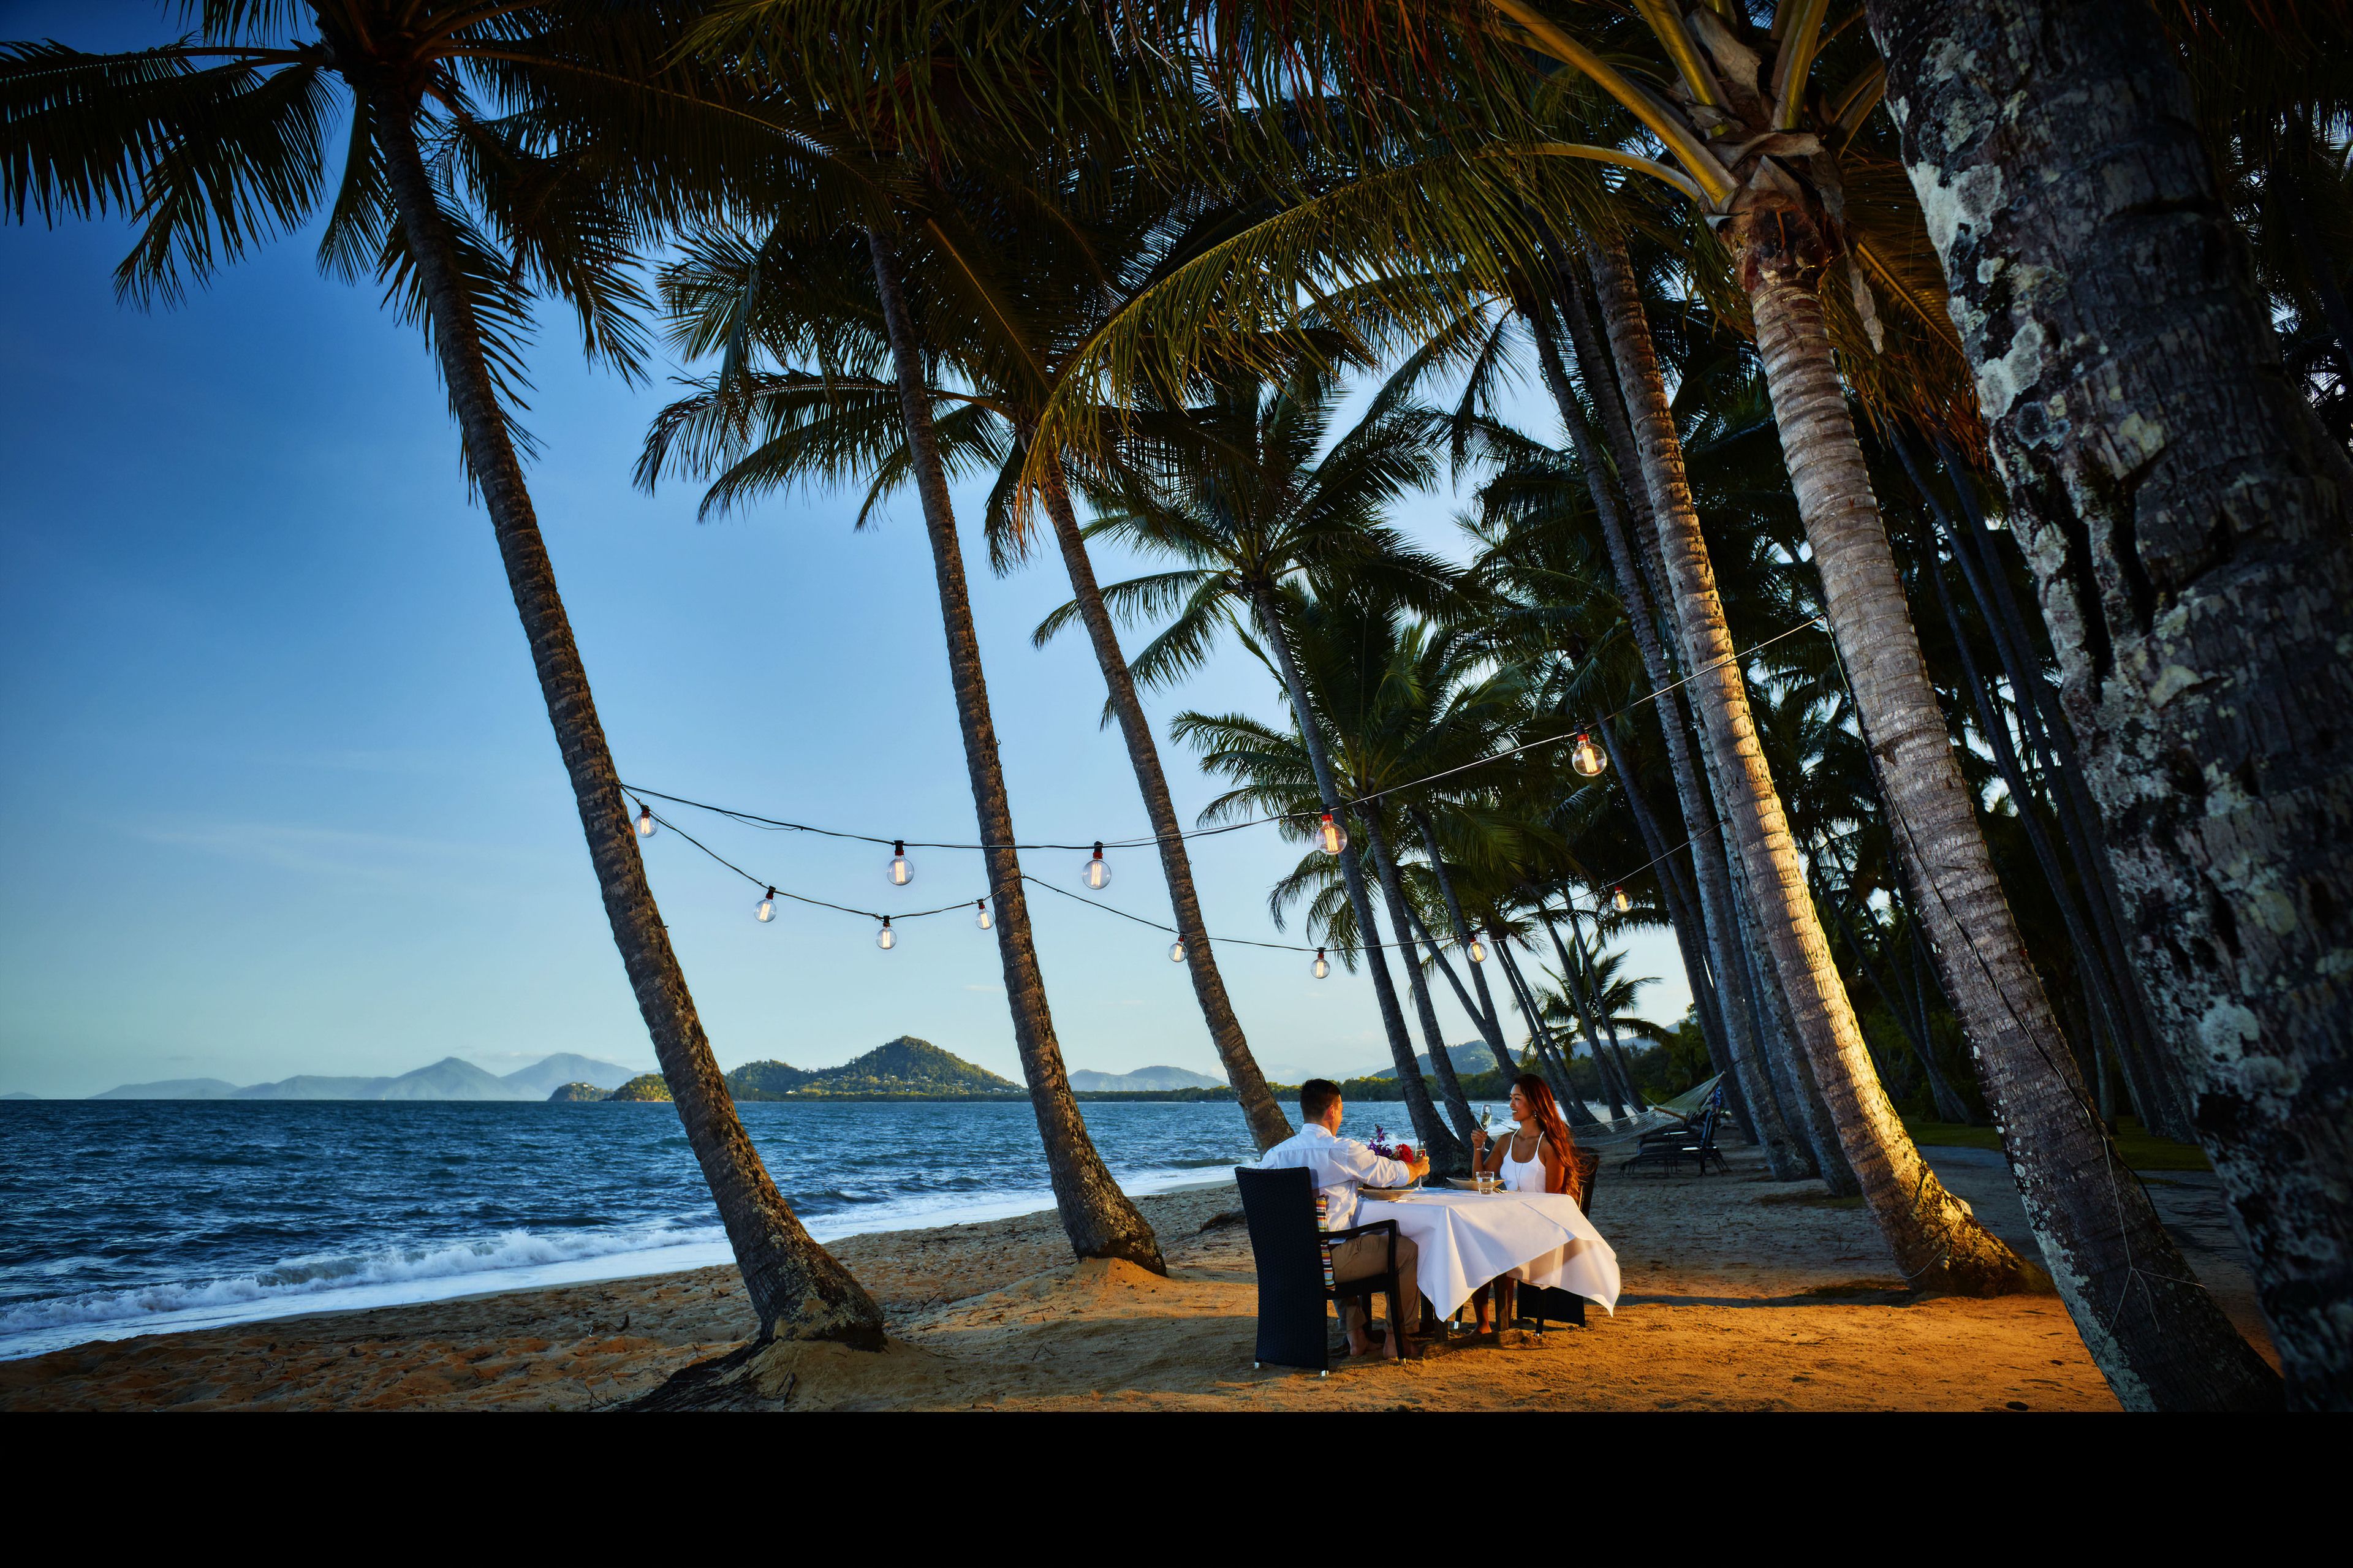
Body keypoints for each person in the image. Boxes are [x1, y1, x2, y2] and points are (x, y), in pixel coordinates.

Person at [1254, 1078, 1431, 1357]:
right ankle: (1398, 1338)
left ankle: (1357, 1338)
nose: (1342, 1116)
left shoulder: (1275, 1156)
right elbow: (1390, 1176)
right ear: (1332, 1111)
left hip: (1286, 1264)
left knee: (1331, 1237)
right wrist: (1417, 1168)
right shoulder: (1341, 1150)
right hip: (1329, 1264)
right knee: (1406, 1250)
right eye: (1342, 1109)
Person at [1466, 1074, 1582, 1334]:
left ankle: (1499, 1324)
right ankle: (1484, 1324)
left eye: (1517, 1099)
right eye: (1511, 1099)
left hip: (1541, 1225)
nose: (1511, 1105)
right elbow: (1480, 1179)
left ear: (1536, 1104)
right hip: (1510, 1220)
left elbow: (1554, 1199)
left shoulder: (1551, 1145)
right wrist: (1478, 1148)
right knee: (1476, 1238)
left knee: (1491, 1243)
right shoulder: (1506, 1141)